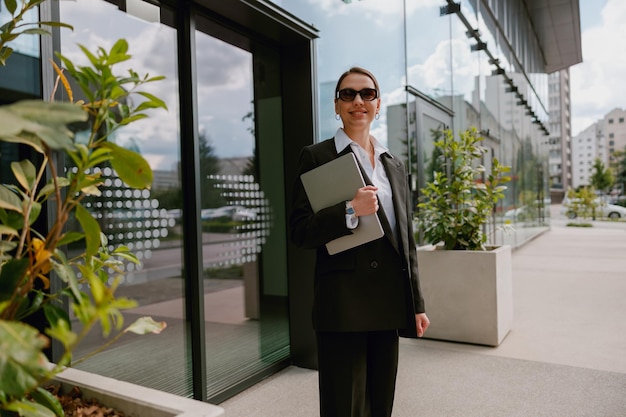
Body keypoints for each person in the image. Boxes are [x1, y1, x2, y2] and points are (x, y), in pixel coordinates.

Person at [289, 66, 430, 417]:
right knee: (343, 405)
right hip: (343, 304)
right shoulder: (317, 156)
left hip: (388, 300)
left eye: (367, 94)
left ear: (378, 104)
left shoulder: (393, 164)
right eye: (347, 95)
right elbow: (300, 231)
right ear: (336, 106)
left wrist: (417, 303)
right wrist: (350, 210)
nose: (357, 101)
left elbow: (406, 240)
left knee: (380, 403)